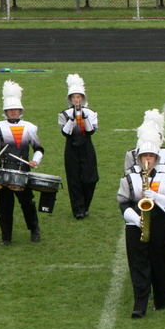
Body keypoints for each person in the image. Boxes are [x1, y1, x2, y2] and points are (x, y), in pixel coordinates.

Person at [118, 122, 165, 318]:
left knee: (158, 262)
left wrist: (156, 196)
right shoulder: (129, 178)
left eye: (151, 156)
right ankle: (140, 304)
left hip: (159, 222)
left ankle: (161, 299)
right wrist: (137, 220)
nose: (147, 159)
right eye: (144, 156)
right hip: (135, 223)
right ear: (139, 158)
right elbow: (123, 203)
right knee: (137, 265)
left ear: (156, 158)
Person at [0, 81, 43, 245]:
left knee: (27, 203)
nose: (13, 112)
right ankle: (6, 237)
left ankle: (34, 230)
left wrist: (34, 161)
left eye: (16, 109)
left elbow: (39, 148)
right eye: (10, 110)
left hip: (23, 172)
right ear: (6, 111)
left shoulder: (29, 127)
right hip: (3, 173)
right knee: (4, 206)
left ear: (20, 110)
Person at [58, 74, 98, 220]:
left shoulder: (91, 113)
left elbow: (90, 131)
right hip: (71, 148)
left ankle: (85, 205)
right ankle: (78, 209)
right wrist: (73, 117)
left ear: (83, 98)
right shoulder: (64, 114)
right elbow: (65, 133)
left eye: (79, 97)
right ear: (70, 99)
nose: (76, 100)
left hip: (87, 147)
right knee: (74, 179)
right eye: (74, 97)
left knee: (90, 179)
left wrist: (84, 116)